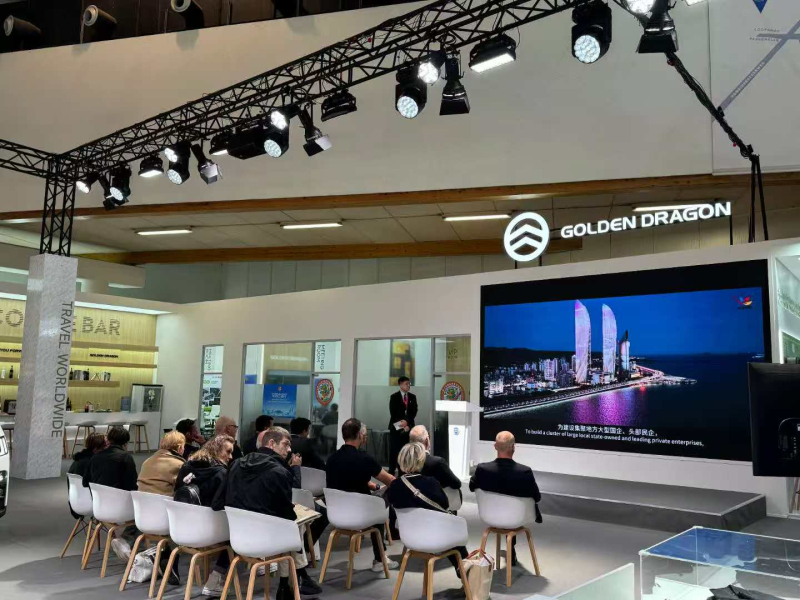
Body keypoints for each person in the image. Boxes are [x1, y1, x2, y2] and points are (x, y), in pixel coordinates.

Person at [225, 427, 322, 600]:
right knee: (293, 524)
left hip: (238, 537)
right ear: (271, 443)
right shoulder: (279, 472)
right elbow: (286, 515)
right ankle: (289, 582)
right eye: (286, 444)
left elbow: (223, 501)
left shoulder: (236, 464)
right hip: (266, 540)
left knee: (287, 524)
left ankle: (292, 582)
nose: (289, 449)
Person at [326, 418, 399, 572]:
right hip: (360, 515)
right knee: (380, 506)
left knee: (375, 501)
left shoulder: (332, 459)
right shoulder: (365, 459)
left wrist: (374, 486)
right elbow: (390, 481)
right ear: (360, 435)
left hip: (336, 515)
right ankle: (380, 559)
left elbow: (349, 479)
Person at [386, 443, 468, 579]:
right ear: (421, 460)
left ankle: (466, 573)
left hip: (409, 536)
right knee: (455, 539)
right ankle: (466, 574)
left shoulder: (395, 485)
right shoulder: (431, 483)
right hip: (434, 536)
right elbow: (445, 505)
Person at [173, 434, 235, 597]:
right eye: (228, 452)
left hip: (181, 529)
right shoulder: (221, 473)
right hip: (207, 531)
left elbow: (176, 492)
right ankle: (216, 576)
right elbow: (221, 504)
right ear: (216, 450)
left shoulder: (186, 466)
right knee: (238, 534)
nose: (230, 457)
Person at [469, 431, 541, 566]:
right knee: (514, 508)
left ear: (495, 446)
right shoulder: (524, 472)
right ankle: (511, 549)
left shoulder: (482, 469)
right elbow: (537, 497)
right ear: (513, 447)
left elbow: (472, 487)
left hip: (489, 515)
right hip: (516, 518)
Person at [82, 426, 139, 560]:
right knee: (143, 513)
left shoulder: (95, 458)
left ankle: (125, 543)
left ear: (108, 439)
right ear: (126, 442)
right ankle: (125, 541)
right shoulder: (126, 458)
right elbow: (131, 486)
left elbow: (85, 482)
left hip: (99, 507)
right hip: (118, 509)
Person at [408, 425, 462, 494]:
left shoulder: (403, 462)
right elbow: (457, 484)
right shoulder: (437, 462)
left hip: (410, 498)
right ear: (427, 440)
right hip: (433, 499)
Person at [68, 432, 107, 519]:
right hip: (92, 503)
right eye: (105, 447)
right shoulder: (93, 463)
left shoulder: (77, 460)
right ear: (96, 449)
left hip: (75, 502)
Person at [137, 431, 186, 495]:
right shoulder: (179, 464)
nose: (184, 449)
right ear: (180, 448)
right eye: (184, 446)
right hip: (161, 500)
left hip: (140, 498)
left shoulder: (147, 461)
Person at [388, 376, 417, 476]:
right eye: (406, 384)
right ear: (400, 385)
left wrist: (407, 422)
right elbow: (393, 413)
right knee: (394, 451)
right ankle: (391, 473)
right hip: (396, 427)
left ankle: (403, 473)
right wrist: (402, 424)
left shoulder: (412, 397)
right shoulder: (394, 397)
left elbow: (414, 411)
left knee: (406, 452)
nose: (408, 385)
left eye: (409, 384)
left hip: (408, 427)